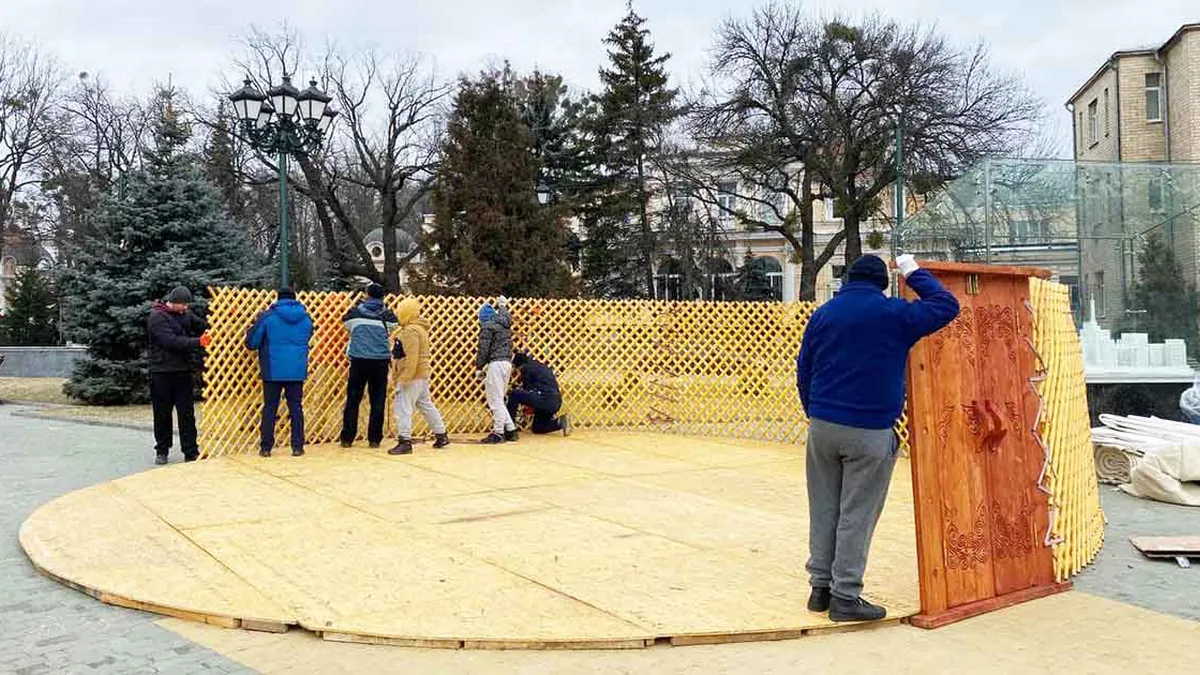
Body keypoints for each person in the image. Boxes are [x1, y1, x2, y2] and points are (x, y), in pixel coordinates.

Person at [796, 254, 959, 622]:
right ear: (882, 284)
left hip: (822, 426)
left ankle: (820, 590)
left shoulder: (824, 314)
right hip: (869, 429)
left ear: (848, 280)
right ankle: (845, 596)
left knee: (823, 508)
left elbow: (804, 367)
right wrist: (911, 270)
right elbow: (946, 305)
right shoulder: (895, 315)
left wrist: (814, 410)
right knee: (857, 513)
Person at [245, 287, 314, 458]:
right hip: (297, 370)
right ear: (295, 298)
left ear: (278, 299)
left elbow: (252, 343)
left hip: (272, 369)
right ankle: (297, 447)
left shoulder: (268, 317)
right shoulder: (305, 318)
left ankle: (266, 447)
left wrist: (250, 331)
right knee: (296, 408)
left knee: (270, 408)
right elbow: (307, 337)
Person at [147, 285, 210, 465]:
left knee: (187, 414)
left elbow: (204, 325)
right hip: (161, 372)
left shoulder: (185, 314)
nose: (185, 308)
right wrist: (198, 342)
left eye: (186, 305)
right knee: (162, 413)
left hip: (182, 371)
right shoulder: (157, 317)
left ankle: (191, 451)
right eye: (183, 304)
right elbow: (170, 341)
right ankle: (162, 450)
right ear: (173, 302)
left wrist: (225, 317)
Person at [388, 298, 450, 455]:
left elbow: (412, 356)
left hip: (412, 375)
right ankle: (441, 434)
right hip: (422, 374)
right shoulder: (420, 328)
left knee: (403, 407)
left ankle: (405, 441)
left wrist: (405, 377)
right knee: (425, 405)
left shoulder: (410, 331)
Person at [339, 283, 398, 448]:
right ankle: (374, 439)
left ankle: (347, 438)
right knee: (378, 400)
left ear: (367, 294)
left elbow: (346, 324)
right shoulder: (387, 315)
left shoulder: (355, 312)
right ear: (383, 296)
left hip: (359, 360)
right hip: (380, 361)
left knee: (353, 399)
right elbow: (394, 326)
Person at [476, 297, 517, 444]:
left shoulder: (487, 327)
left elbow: (483, 349)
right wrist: (502, 305)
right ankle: (511, 430)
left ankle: (498, 432)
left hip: (496, 364)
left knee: (494, 399)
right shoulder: (504, 323)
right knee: (499, 398)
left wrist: (479, 367)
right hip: (507, 363)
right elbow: (505, 314)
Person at [507, 352, 571, 436]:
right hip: (555, 402)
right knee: (538, 428)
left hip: (545, 399)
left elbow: (528, 389)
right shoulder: (539, 365)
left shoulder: (526, 368)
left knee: (514, 394)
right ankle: (560, 422)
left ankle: (509, 428)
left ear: (519, 366)